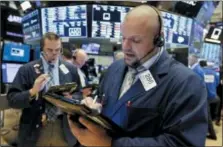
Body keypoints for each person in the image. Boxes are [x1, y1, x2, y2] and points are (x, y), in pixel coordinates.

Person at [68, 5, 208, 147]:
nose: (125, 47)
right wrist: (92, 108)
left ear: (159, 39)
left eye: (136, 40)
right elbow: (105, 104)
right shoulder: (114, 69)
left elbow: (182, 143)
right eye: (123, 38)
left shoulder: (186, 83)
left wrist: (110, 144)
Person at [7, 32, 81, 147]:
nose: (54, 54)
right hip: (35, 128)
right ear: (42, 49)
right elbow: (12, 100)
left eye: (57, 50)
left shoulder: (70, 69)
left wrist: (71, 98)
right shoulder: (27, 70)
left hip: (63, 128)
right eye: (50, 50)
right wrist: (33, 91)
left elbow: (79, 94)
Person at [199, 60, 219, 140]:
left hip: (206, 98)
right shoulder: (214, 72)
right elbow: (217, 83)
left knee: (207, 116)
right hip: (215, 97)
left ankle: (212, 134)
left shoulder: (201, 72)